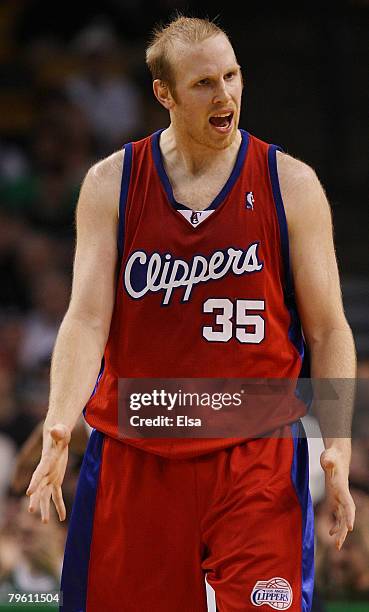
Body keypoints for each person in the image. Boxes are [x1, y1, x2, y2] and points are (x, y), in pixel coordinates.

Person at [26, 16, 356, 612]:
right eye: (204, 83)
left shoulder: (292, 184)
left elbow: (329, 327)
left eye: (231, 76)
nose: (225, 94)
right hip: (137, 447)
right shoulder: (111, 183)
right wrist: (58, 421)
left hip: (255, 451)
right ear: (165, 94)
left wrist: (337, 439)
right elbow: (84, 319)